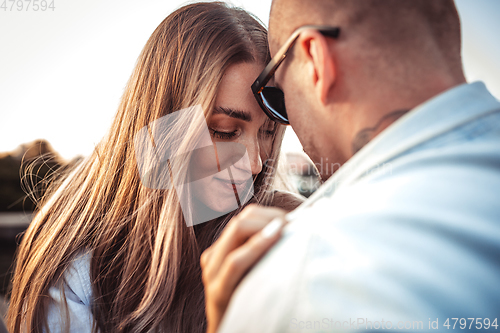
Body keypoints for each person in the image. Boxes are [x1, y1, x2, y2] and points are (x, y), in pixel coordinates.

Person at [200, 0, 500, 332]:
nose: (256, 164)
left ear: (315, 60)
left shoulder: (306, 275)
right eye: (225, 131)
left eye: (280, 97)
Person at [7, 2, 304, 332]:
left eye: (268, 132)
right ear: (165, 125)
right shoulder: (79, 275)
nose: (254, 164)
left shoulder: (286, 233)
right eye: (223, 131)